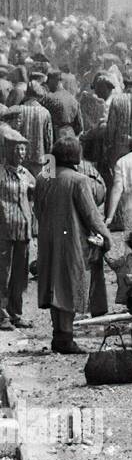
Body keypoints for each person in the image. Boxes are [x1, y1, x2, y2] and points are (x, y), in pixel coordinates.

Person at [35, 136, 112, 354]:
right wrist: (106, 238)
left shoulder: (43, 177)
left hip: (47, 239)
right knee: (68, 285)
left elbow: (37, 210)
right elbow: (91, 215)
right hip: (72, 241)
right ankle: (67, 339)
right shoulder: (79, 180)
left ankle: (58, 336)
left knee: (53, 285)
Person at [0, 126, 36, 330]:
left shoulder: (26, 173)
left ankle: (16, 313)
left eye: (23, 149)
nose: (20, 153)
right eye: (16, 149)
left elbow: (41, 185)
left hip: (24, 230)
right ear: (7, 151)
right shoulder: (1, 173)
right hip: (4, 231)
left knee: (20, 275)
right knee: (2, 274)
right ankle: (2, 314)